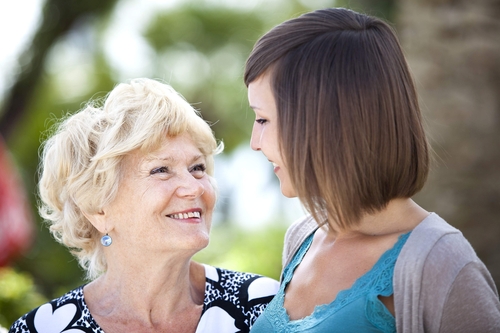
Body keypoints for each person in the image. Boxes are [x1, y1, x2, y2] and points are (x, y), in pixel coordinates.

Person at [243, 7, 500, 333]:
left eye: (263, 119)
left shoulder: (442, 263)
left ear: (325, 122)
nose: (255, 142)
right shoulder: (301, 239)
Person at [9, 78, 279, 333]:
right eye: (161, 170)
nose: (195, 187)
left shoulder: (264, 308)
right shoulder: (41, 329)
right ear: (97, 209)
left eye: (197, 167)